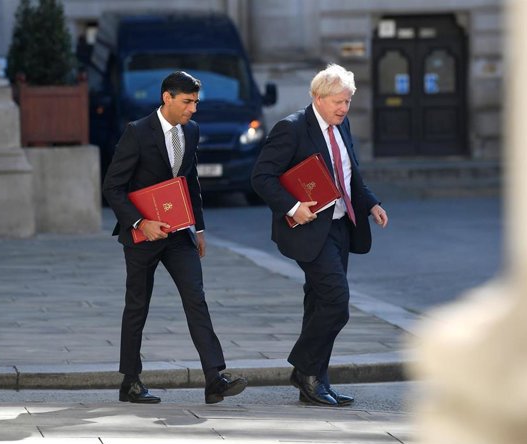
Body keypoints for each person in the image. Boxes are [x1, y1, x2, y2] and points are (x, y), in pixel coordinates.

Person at [103, 71, 247, 405]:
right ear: (166, 97)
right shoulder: (137, 132)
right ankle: (130, 381)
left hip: (179, 233)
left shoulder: (191, 132)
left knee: (196, 298)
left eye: (196, 102)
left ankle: (214, 378)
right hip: (142, 236)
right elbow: (113, 186)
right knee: (137, 305)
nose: (193, 109)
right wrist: (141, 222)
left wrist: (197, 227)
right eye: (187, 102)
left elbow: (189, 180)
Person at [251, 64, 388, 407]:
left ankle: (315, 382)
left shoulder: (343, 126)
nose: (344, 108)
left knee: (318, 302)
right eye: (338, 102)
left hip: (342, 226)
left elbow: (350, 173)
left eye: (348, 102)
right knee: (337, 302)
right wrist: (293, 206)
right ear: (317, 97)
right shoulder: (292, 128)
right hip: (309, 229)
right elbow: (262, 177)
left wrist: (371, 203)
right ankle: (303, 368)